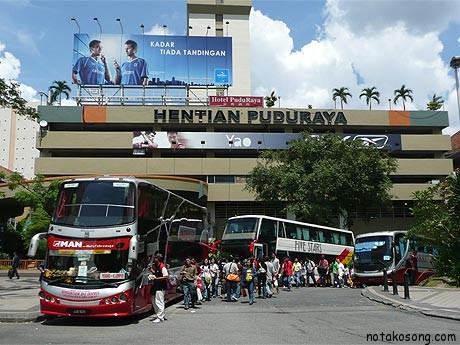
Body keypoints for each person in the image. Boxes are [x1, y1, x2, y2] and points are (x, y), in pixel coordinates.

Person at [149, 254, 169, 322]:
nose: (154, 259)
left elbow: (166, 276)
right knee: (153, 300)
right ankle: (159, 315)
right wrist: (150, 270)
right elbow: (156, 273)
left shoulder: (162, 267)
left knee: (159, 302)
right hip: (156, 286)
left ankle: (160, 317)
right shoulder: (157, 266)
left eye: (155, 258)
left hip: (161, 287)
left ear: (158, 259)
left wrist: (157, 278)